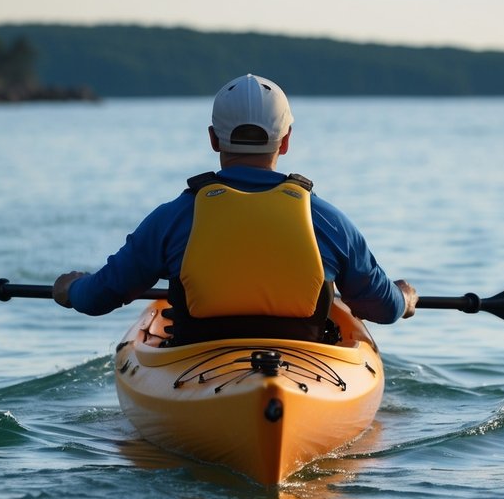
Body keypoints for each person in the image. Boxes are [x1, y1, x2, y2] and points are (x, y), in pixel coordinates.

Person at [53, 73, 416, 344]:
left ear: (213, 138)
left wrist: (71, 289)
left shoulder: (174, 217)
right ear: (286, 141)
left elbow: (101, 296)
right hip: (304, 362)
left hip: (198, 358)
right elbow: (381, 309)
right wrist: (404, 296)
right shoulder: (326, 220)